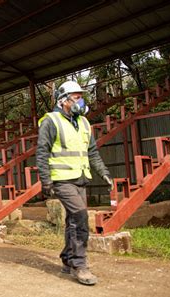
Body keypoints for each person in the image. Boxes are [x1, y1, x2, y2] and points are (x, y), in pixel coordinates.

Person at [36, 81, 113, 286]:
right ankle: (80, 264)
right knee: (80, 216)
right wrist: (45, 181)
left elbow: (93, 153)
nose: (81, 100)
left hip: (80, 178)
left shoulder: (85, 123)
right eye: (76, 96)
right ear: (63, 100)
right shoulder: (50, 121)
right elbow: (42, 152)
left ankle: (67, 259)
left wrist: (104, 173)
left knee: (73, 220)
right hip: (62, 180)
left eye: (81, 96)